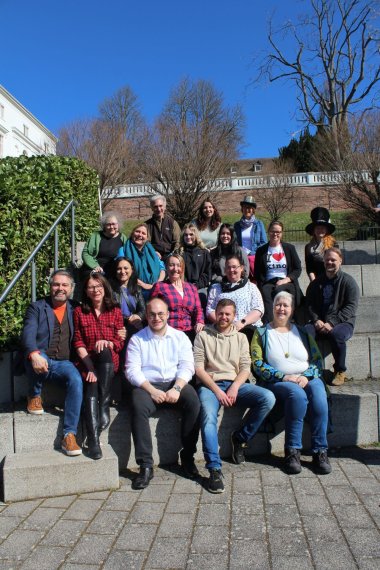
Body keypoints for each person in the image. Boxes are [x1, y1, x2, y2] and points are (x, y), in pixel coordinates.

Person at [194, 299, 275, 493]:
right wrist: (218, 390)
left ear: (234, 316)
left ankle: (240, 437)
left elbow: (246, 367)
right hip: (209, 386)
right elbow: (198, 368)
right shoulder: (203, 335)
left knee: (268, 398)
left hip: (235, 384)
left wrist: (234, 388)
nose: (223, 317)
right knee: (208, 418)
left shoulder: (240, 338)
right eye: (220, 313)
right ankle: (214, 468)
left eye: (228, 314)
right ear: (216, 313)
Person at [251, 291, 331, 475]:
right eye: (278, 304)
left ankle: (320, 451)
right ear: (272, 308)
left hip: (306, 377)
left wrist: (306, 376)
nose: (281, 308)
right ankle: (292, 451)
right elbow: (257, 363)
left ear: (292, 309)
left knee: (319, 396)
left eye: (286, 305)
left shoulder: (302, 331)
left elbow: (317, 360)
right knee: (297, 396)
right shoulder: (262, 333)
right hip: (279, 381)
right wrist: (283, 376)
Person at [126, 297, 201, 490]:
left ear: (167, 315)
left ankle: (187, 457)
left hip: (175, 383)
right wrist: (152, 390)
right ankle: (145, 466)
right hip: (147, 385)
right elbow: (132, 371)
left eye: (160, 314)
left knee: (194, 402)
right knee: (137, 406)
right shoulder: (137, 339)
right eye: (152, 314)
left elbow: (187, 366)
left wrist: (176, 388)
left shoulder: (180, 337)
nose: (156, 318)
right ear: (146, 316)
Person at [21, 269, 83, 457]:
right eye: (56, 284)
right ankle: (34, 394)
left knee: (76, 380)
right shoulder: (37, 307)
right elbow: (28, 333)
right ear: (50, 286)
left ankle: (69, 435)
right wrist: (33, 353)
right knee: (37, 357)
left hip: (64, 362)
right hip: (42, 357)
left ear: (71, 288)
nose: (60, 288)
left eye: (65, 285)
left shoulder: (76, 307)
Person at [73, 273, 124, 459]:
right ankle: (94, 440)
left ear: (105, 288)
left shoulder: (115, 310)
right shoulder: (79, 312)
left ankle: (103, 404)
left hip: (109, 362)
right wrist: (91, 369)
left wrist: (109, 343)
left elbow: (120, 340)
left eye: (99, 286)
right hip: (87, 362)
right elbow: (78, 342)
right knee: (91, 383)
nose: (96, 290)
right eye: (91, 287)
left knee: (104, 349)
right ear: (85, 291)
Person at [305, 247, 360, 386]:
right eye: (327, 259)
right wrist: (316, 319)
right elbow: (310, 304)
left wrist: (332, 322)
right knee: (305, 332)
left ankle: (340, 370)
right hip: (320, 322)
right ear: (323, 261)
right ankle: (309, 368)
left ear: (340, 261)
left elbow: (350, 307)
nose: (330, 262)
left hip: (343, 323)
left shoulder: (349, 282)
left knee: (336, 335)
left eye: (333, 260)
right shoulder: (316, 283)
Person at [206, 255, 264, 344]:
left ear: (241, 268)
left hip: (247, 327)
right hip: (223, 327)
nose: (231, 270)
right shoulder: (215, 288)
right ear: (225, 270)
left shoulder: (251, 287)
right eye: (228, 267)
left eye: (234, 267)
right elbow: (210, 310)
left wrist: (242, 322)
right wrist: (226, 324)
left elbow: (258, 309)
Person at [254, 220, 302, 323]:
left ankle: (287, 322)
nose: (275, 234)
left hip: (286, 281)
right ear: (268, 231)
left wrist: (286, 280)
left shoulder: (289, 248)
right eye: (272, 231)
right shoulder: (261, 251)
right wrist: (262, 286)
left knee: (279, 291)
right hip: (268, 283)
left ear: (282, 233)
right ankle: (270, 325)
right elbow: (258, 272)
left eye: (278, 232)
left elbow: (297, 269)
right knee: (266, 295)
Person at [151, 253, 204, 343]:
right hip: (168, 333)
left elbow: (198, 309)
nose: (175, 269)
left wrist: (200, 321)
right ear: (166, 267)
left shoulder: (191, 288)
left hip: (188, 333)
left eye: (178, 266)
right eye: (171, 265)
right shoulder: (160, 286)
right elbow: (151, 309)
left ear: (182, 268)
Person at [117, 223, 165, 296]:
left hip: (155, 290)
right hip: (134, 291)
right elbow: (123, 272)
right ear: (132, 233)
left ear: (147, 238)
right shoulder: (123, 250)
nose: (140, 235)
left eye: (143, 233)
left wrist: (158, 283)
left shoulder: (152, 251)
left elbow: (162, 268)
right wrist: (144, 285)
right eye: (137, 231)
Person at [82, 212, 127, 278]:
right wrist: (95, 266)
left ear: (118, 224)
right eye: (108, 224)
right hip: (95, 269)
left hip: (114, 271)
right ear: (104, 226)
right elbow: (86, 253)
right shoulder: (96, 236)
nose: (111, 227)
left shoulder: (123, 237)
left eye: (114, 224)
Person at [177, 223, 211, 308]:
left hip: (200, 287)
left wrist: (197, 286)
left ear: (195, 235)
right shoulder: (179, 253)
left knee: (202, 297)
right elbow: (176, 272)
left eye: (191, 234)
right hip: (182, 287)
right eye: (186, 235)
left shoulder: (204, 252)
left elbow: (207, 273)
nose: (188, 237)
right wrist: (185, 286)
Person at [234, 195, 267, 277]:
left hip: (254, 257)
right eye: (245, 207)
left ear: (253, 210)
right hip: (240, 257)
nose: (247, 210)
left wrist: (253, 253)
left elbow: (264, 242)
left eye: (250, 207)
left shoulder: (259, 224)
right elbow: (234, 242)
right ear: (242, 209)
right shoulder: (237, 225)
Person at [305, 207, 337, 281]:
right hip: (316, 280)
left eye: (322, 228)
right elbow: (309, 268)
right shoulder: (308, 247)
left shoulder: (333, 244)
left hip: (332, 278)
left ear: (326, 230)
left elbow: (336, 264)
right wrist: (314, 282)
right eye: (318, 228)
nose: (320, 230)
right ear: (314, 230)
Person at [145, 195, 181, 260]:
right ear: (152, 208)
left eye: (160, 206)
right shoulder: (147, 225)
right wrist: (153, 252)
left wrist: (173, 254)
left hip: (170, 256)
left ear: (164, 207)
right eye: (155, 207)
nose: (158, 209)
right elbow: (146, 242)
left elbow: (177, 241)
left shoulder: (172, 223)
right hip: (153, 257)